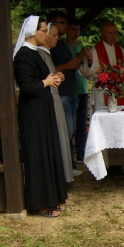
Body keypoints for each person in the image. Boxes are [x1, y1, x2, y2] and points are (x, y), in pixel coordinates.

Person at [13, 15, 67, 217]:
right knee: (37, 155)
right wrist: (45, 82)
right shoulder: (24, 55)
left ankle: (53, 198)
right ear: (32, 32)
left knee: (49, 151)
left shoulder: (35, 53)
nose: (46, 34)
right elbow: (26, 86)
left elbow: (42, 79)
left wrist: (53, 80)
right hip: (32, 113)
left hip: (43, 108)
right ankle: (41, 204)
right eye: (43, 30)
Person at [48, 10, 95, 175]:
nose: (67, 26)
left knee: (74, 128)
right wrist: (67, 66)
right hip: (61, 92)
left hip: (72, 90)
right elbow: (47, 68)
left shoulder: (59, 44)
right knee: (66, 130)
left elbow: (75, 65)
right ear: (52, 25)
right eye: (63, 23)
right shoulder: (51, 46)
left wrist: (83, 59)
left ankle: (71, 163)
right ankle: (65, 167)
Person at [38, 23, 74, 185]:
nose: (57, 38)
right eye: (54, 35)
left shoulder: (48, 54)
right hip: (49, 100)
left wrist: (57, 76)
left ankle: (63, 176)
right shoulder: (40, 54)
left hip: (55, 97)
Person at [90, 21, 124, 106]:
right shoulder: (95, 51)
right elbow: (87, 72)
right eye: (109, 33)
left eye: (115, 32)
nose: (113, 36)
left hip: (118, 89)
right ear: (102, 34)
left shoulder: (119, 50)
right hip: (102, 91)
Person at [65, 18, 92, 164]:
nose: (76, 33)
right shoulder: (64, 47)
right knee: (71, 125)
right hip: (71, 90)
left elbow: (88, 67)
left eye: (78, 30)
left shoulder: (81, 46)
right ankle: (70, 156)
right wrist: (81, 55)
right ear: (68, 30)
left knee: (82, 124)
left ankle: (81, 153)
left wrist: (89, 59)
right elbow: (73, 63)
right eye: (73, 29)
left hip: (82, 88)